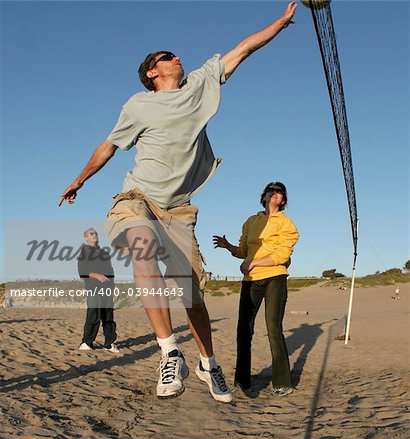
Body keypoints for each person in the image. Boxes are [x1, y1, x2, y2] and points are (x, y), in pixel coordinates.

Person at [58, 1, 298, 403]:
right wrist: (79, 180)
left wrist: (281, 21)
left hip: (179, 211)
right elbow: (109, 145)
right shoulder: (137, 104)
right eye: (167, 56)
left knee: (192, 296)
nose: (177, 57)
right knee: (142, 249)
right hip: (137, 199)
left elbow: (243, 49)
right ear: (153, 71)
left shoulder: (201, 84)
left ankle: (208, 363)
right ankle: (170, 353)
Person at [213, 182, 299, 396]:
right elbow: (244, 251)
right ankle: (242, 381)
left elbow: (282, 256)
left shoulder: (286, 223)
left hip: (275, 278)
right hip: (250, 280)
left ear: (283, 200)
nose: (275, 193)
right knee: (244, 329)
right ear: (264, 195)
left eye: (279, 192)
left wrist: (255, 263)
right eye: (271, 190)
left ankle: (282, 383)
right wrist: (229, 246)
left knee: (273, 328)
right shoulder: (251, 221)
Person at [78, 228, 119, 353]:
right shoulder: (84, 252)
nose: (94, 234)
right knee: (94, 314)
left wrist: (114, 286)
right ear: (86, 237)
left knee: (108, 315)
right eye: (91, 233)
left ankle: (109, 342)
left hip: (107, 288)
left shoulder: (104, 252)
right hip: (93, 287)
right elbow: (82, 271)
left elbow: (110, 271)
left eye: (95, 233)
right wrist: (96, 275)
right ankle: (87, 342)